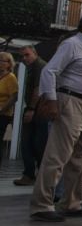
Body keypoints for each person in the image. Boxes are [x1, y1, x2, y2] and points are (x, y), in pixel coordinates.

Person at [29, 13, 82, 222]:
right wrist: (52, 100)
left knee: (80, 158)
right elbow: (49, 71)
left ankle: (71, 203)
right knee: (58, 155)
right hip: (70, 100)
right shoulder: (71, 44)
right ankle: (42, 204)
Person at [14, 45, 48, 186]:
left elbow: (38, 88)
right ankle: (33, 174)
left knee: (32, 143)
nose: (24, 59)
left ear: (34, 53)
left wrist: (31, 109)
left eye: (27, 55)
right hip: (37, 109)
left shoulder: (39, 66)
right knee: (32, 142)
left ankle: (31, 174)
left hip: (38, 110)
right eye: (22, 56)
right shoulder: (34, 67)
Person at [0, 52, 19, 168]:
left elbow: (14, 96)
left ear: (9, 64)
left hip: (3, 114)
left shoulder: (11, 78)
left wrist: (2, 108)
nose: (0, 63)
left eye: (2, 61)